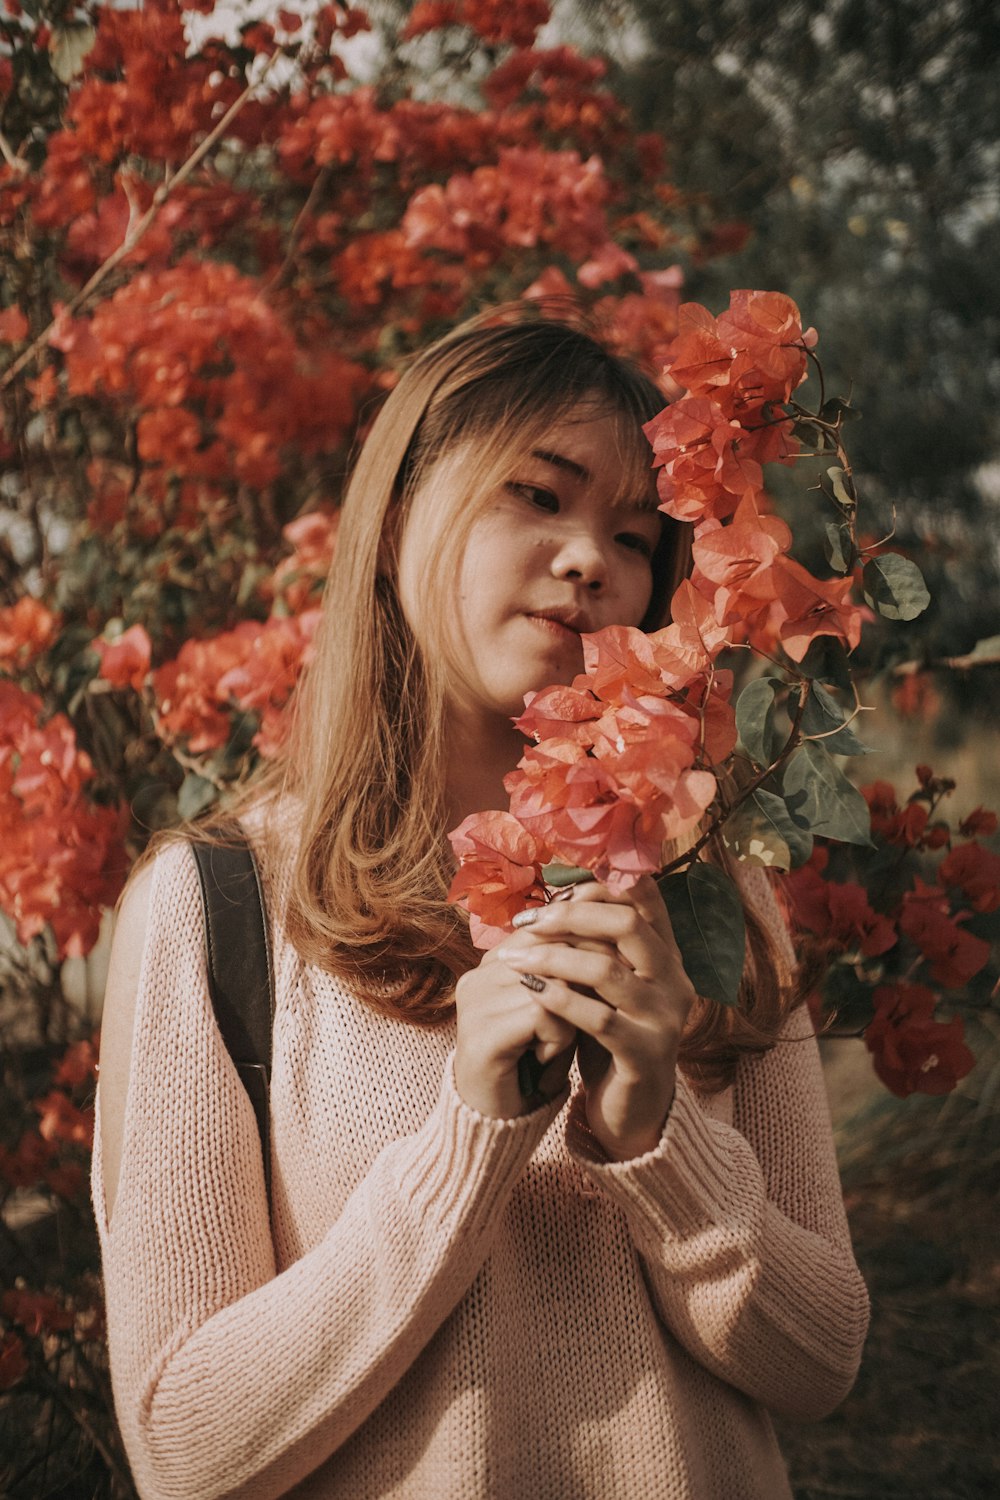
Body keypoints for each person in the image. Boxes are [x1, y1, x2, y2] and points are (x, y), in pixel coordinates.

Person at [94, 310, 870, 1500]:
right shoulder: (217, 909)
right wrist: (466, 1142)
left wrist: (659, 1138)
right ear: (402, 516)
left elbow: (821, 1364)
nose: (591, 560)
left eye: (632, 533)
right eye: (538, 498)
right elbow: (184, 1450)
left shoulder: (711, 886)